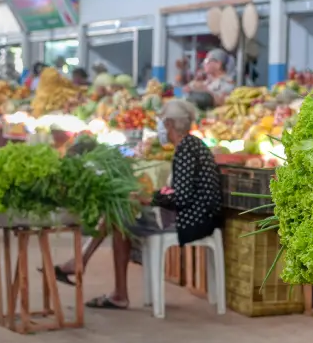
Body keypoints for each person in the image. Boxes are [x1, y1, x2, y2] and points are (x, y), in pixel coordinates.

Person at [57, 101, 223, 309]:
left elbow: (181, 197)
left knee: (120, 220)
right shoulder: (191, 145)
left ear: (170, 124)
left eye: (162, 122)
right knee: (122, 212)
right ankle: (82, 263)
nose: (160, 127)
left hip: (193, 220)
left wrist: (149, 199)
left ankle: (113, 289)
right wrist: (148, 196)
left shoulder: (186, 150)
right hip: (196, 215)